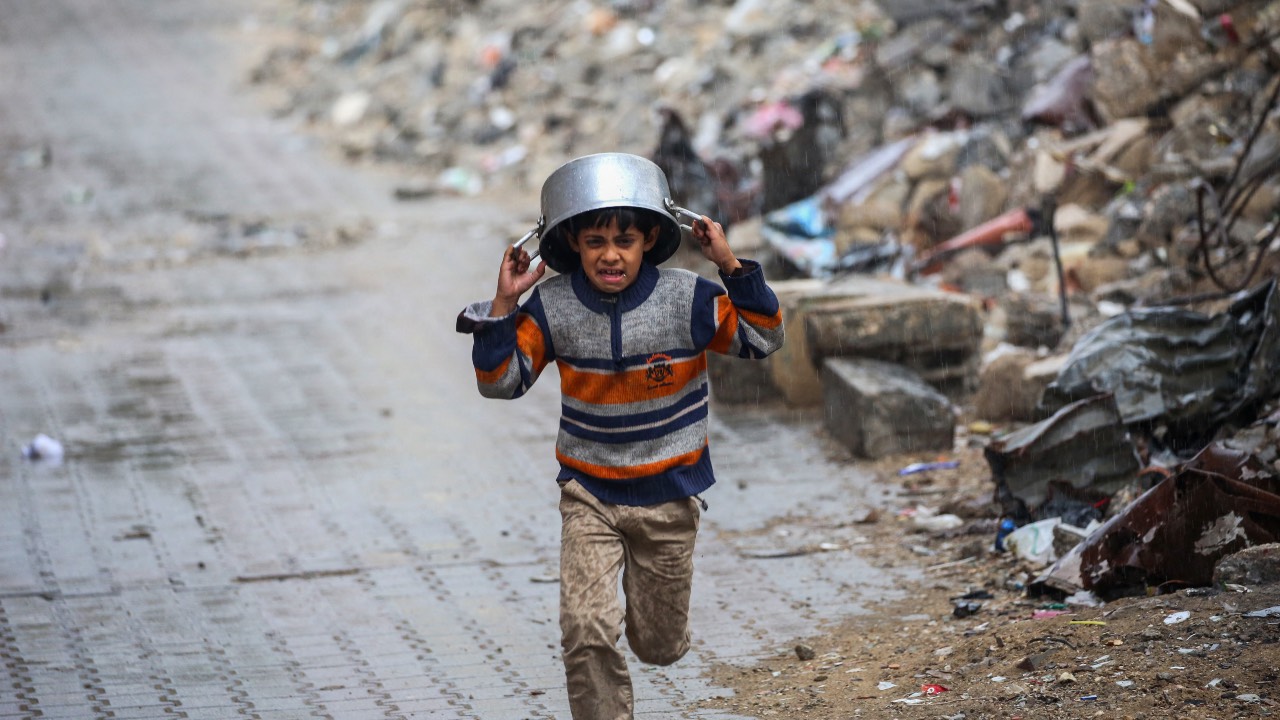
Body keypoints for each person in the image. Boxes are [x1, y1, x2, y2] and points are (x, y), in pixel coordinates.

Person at [457, 157, 784, 720]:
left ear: (650, 238)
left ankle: (652, 617)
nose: (610, 254)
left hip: (669, 497)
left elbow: (764, 337)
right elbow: (500, 383)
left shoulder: (687, 299)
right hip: (590, 495)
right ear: (574, 245)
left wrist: (727, 262)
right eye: (595, 241)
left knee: (657, 646)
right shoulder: (553, 307)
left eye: (624, 240)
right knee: (585, 626)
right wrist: (505, 303)